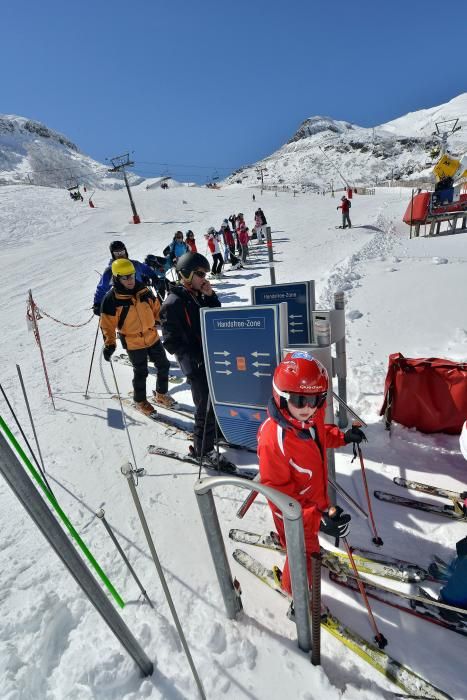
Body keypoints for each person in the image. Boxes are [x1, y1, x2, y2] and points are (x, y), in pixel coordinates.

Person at [258, 351, 365, 595]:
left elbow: (320, 436)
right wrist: (316, 520)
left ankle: (309, 551)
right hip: (294, 515)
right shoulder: (274, 442)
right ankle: (295, 592)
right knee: (302, 554)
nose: (308, 408)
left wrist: (343, 436)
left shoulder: (309, 418)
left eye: (316, 399)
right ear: (281, 397)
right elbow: (278, 500)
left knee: (309, 546)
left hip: (315, 503)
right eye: (298, 400)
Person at [160, 252, 226, 464]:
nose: (204, 278)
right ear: (186, 274)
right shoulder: (173, 303)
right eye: (200, 274)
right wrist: (194, 357)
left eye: (205, 273)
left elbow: (215, 319)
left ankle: (215, 433)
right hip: (195, 364)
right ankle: (202, 450)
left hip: (209, 357)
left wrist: (210, 296)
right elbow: (171, 341)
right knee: (204, 405)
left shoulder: (197, 295)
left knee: (215, 399)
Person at [100, 258, 175, 414]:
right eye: (125, 277)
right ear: (116, 278)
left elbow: (157, 311)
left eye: (132, 276)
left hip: (152, 336)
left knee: (164, 365)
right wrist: (110, 344)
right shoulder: (111, 299)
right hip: (133, 341)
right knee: (141, 372)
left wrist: (169, 323)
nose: (130, 280)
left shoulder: (144, 291)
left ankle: (161, 394)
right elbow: (107, 324)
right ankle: (140, 401)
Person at [93, 241, 160, 315]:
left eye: (122, 252)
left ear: (126, 251)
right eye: (117, 253)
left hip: (142, 296)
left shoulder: (135, 264)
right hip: (125, 303)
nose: (120, 255)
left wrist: (154, 277)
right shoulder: (110, 271)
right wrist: (97, 303)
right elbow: (102, 288)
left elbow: (146, 269)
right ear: (113, 255)